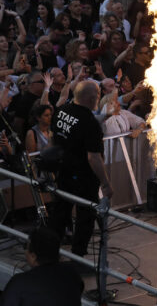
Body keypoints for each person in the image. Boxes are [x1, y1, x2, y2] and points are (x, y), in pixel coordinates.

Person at [49, 80, 113, 257]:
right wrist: (106, 184)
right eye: (98, 96)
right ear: (92, 98)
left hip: (64, 171)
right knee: (86, 215)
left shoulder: (62, 111)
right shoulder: (89, 122)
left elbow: (53, 138)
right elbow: (94, 157)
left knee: (60, 212)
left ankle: (49, 252)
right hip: (83, 176)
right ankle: (78, 255)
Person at [0, 227, 84, 306]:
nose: (25, 251)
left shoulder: (19, 282)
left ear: (33, 256)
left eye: (26, 247)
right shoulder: (71, 273)